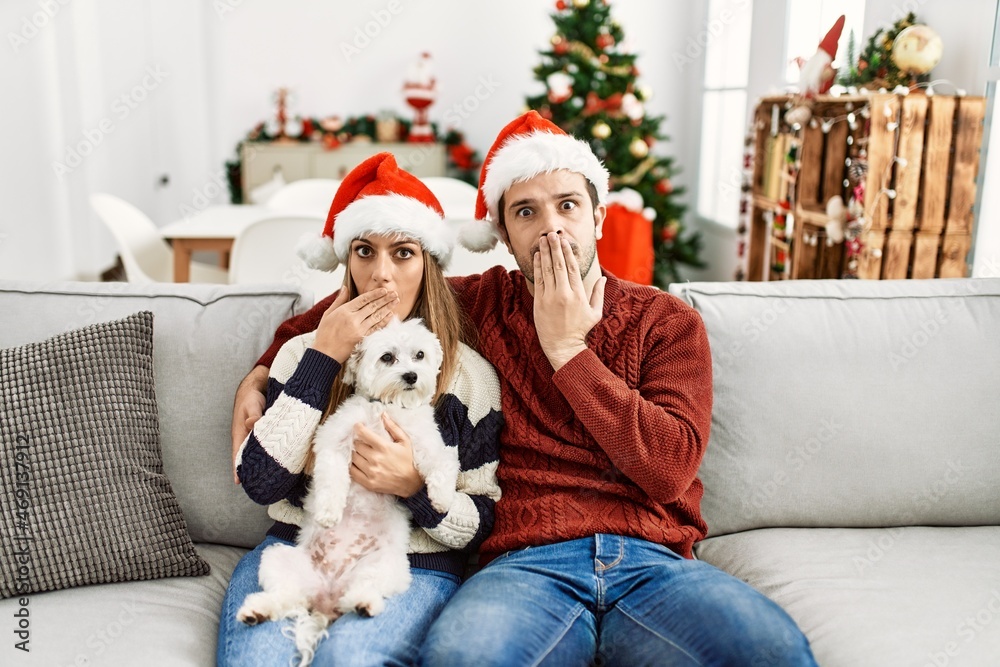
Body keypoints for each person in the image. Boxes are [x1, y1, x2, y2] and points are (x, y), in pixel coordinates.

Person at [232, 112, 817, 665]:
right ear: (505, 235)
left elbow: (668, 471)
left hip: (653, 561)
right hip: (526, 563)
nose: (552, 227)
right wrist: (260, 373)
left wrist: (569, 353)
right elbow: (370, 305)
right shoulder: (483, 303)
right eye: (527, 212)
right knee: (465, 658)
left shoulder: (664, 322)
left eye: (567, 205)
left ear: (598, 217)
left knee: (772, 651)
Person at [218, 152, 503, 667]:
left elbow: (481, 521)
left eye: (404, 253)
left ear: (429, 264)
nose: (381, 275)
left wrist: (416, 489)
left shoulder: (469, 377)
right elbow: (260, 483)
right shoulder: (300, 353)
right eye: (364, 251)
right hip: (302, 546)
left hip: (415, 561)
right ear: (346, 261)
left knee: (350, 659)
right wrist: (324, 355)